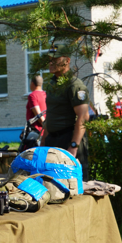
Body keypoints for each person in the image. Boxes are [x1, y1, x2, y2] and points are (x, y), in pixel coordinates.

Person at [41, 52, 89, 180]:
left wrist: (73, 146)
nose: (51, 63)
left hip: (68, 139)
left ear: (67, 61)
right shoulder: (52, 84)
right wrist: (44, 138)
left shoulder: (75, 85)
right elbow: (52, 112)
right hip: (52, 140)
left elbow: (83, 116)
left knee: (72, 182)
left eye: (55, 59)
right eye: (50, 59)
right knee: (51, 182)